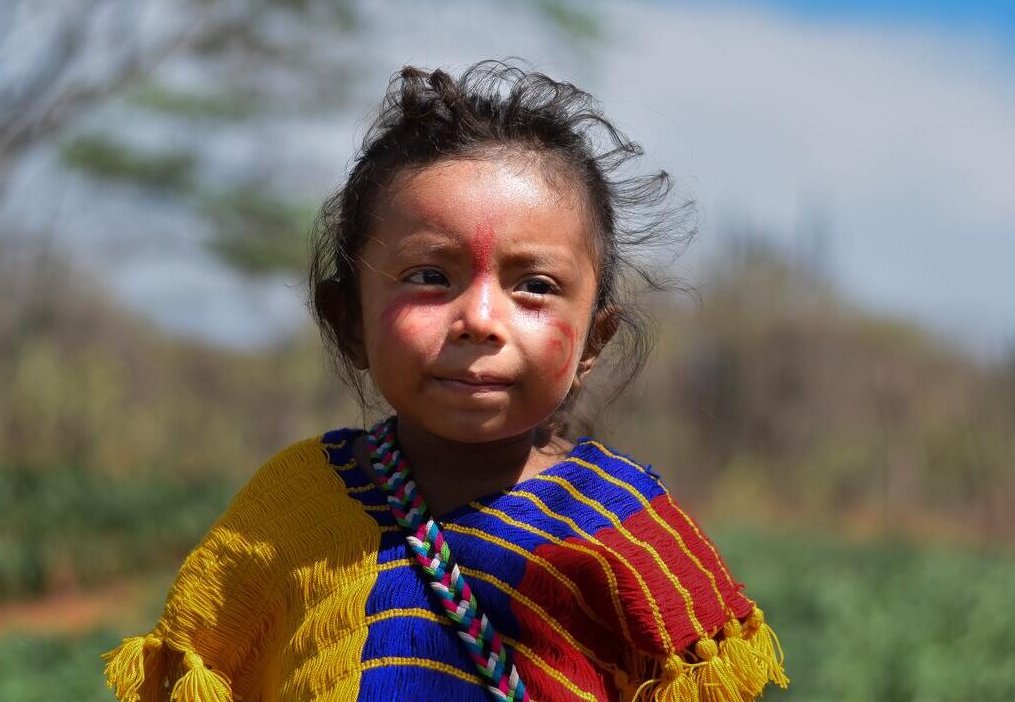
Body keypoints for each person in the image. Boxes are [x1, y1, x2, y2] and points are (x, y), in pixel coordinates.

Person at [102, 61, 788, 702]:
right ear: (348, 321)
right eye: (430, 276)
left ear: (591, 344)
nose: (480, 320)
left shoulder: (623, 528)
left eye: (535, 287)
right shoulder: (291, 511)